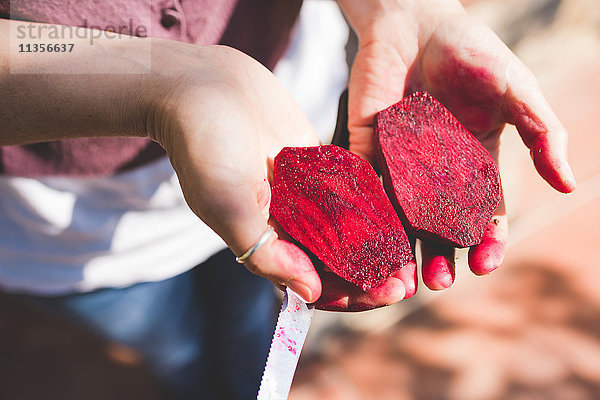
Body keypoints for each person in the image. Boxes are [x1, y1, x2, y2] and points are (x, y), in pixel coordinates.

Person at [0, 0, 575, 398]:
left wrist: (403, 10)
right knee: (172, 347)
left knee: (251, 314)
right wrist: (163, 86)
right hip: (73, 232)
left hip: (279, 127)